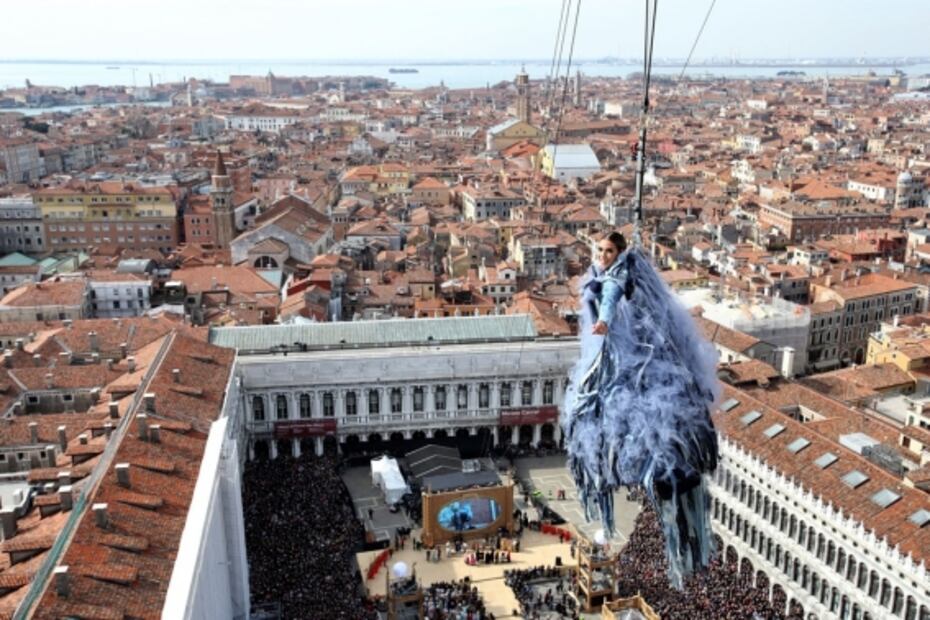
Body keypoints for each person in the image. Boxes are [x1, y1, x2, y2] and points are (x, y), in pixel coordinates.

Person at [562, 230, 720, 589]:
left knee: (630, 416)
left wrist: (603, 320)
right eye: (600, 249)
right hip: (619, 352)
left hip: (624, 352)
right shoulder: (602, 273)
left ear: (620, 253)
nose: (603, 255)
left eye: (609, 250)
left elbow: (610, 297)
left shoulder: (616, 278)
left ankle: (675, 514)